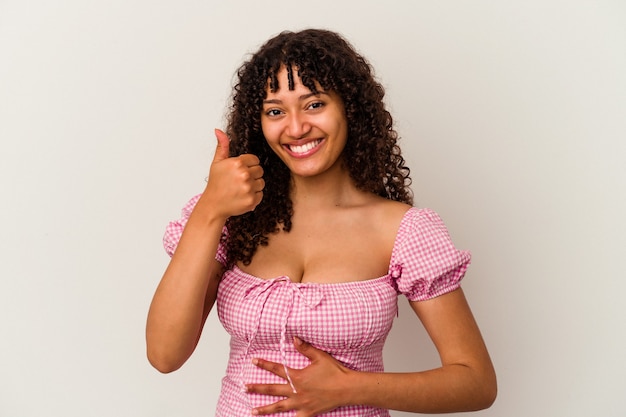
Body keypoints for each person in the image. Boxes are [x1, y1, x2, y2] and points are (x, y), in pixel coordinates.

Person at [146, 28, 496, 417]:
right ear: (259, 123)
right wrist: (210, 210)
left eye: (313, 105)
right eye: (275, 111)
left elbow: (475, 382)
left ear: (349, 107)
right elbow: (164, 355)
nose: (295, 128)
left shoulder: (404, 231)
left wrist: (350, 388)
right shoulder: (229, 218)